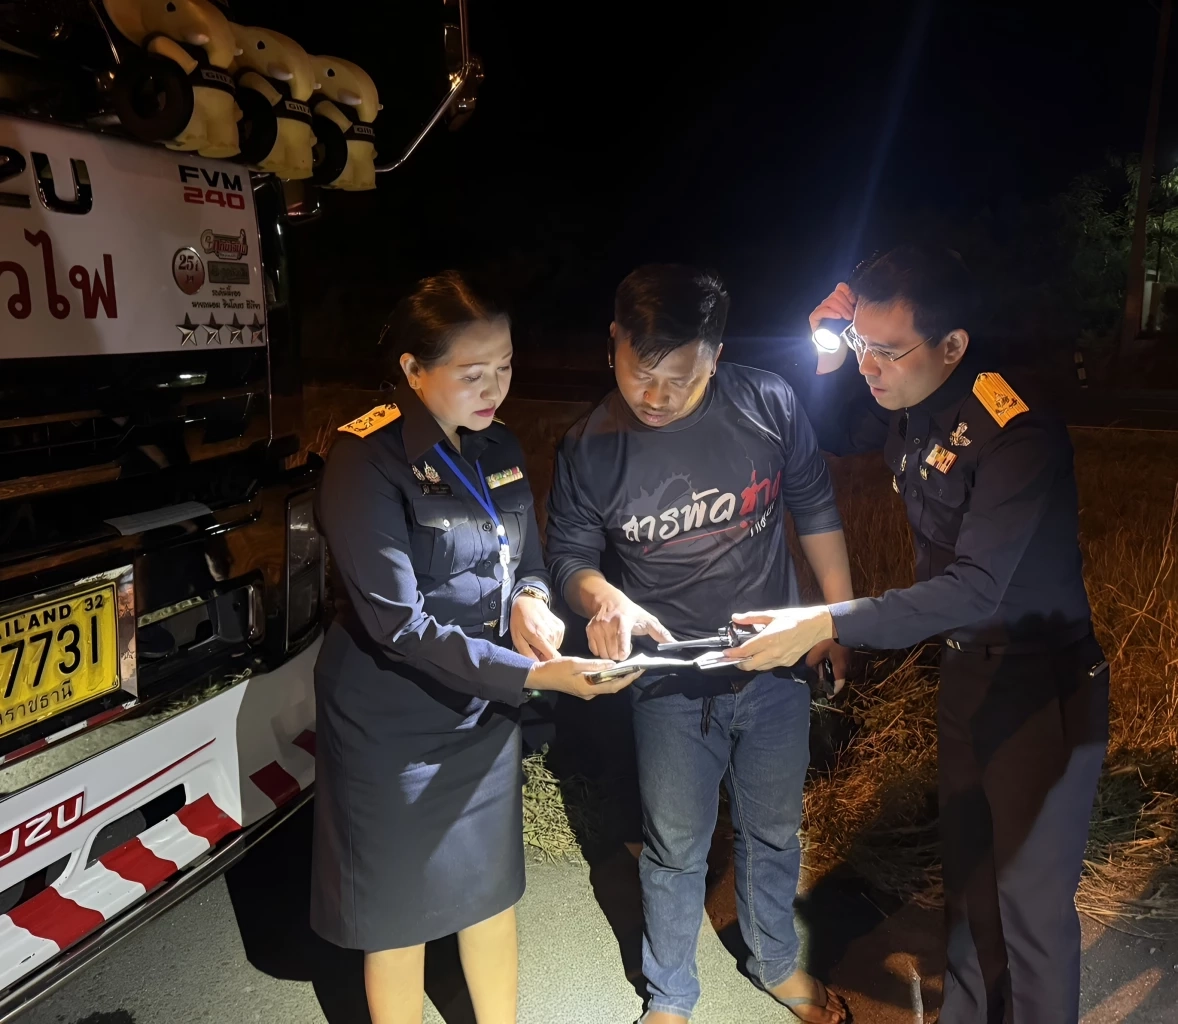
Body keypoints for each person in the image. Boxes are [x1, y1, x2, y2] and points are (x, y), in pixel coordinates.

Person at [725, 245, 1108, 1024]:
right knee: (968, 888)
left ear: (953, 346)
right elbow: (827, 432)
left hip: (1041, 688)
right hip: (969, 676)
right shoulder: (909, 404)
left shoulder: (1014, 435)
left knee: (1028, 913)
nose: (871, 366)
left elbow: (973, 587)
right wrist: (832, 353)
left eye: (887, 350)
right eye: (860, 345)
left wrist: (829, 619)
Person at [310, 271, 637, 1024]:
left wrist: (530, 603)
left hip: (484, 707)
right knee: (396, 915)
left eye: (507, 365)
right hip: (394, 724)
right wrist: (538, 674)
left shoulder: (499, 446)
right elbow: (400, 625)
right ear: (412, 370)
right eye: (472, 372)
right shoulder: (366, 461)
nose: (495, 386)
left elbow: (523, 556)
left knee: (488, 892)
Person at [545, 264, 852, 1024]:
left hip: (773, 663)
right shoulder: (588, 448)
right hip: (670, 679)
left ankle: (775, 962)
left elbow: (814, 505)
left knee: (774, 828)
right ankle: (670, 994)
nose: (654, 396)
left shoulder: (767, 403)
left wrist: (836, 620)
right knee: (676, 845)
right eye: (638, 372)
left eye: (678, 379)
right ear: (613, 340)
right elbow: (570, 559)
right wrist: (602, 598)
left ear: (715, 354)